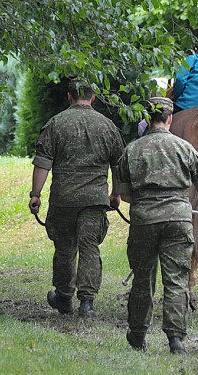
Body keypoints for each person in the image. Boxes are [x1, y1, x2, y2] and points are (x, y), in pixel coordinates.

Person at [118, 96, 198, 353]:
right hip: (179, 221)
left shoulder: (132, 150)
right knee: (177, 279)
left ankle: (137, 334)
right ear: (170, 119)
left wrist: (146, 201)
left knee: (143, 279)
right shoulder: (186, 149)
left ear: (147, 120)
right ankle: (175, 338)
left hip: (144, 221)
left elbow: (124, 195)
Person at [29, 79, 126, 318]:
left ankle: (63, 296)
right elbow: (119, 166)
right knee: (89, 247)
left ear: (69, 96)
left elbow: (43, 164)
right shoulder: (107, 126)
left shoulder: (56, 124)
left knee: (64, 249)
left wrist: (35, 195)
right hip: (94, 200)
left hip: (63, 199)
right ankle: (87, 302)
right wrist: (115, 194)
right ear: (93, 97)